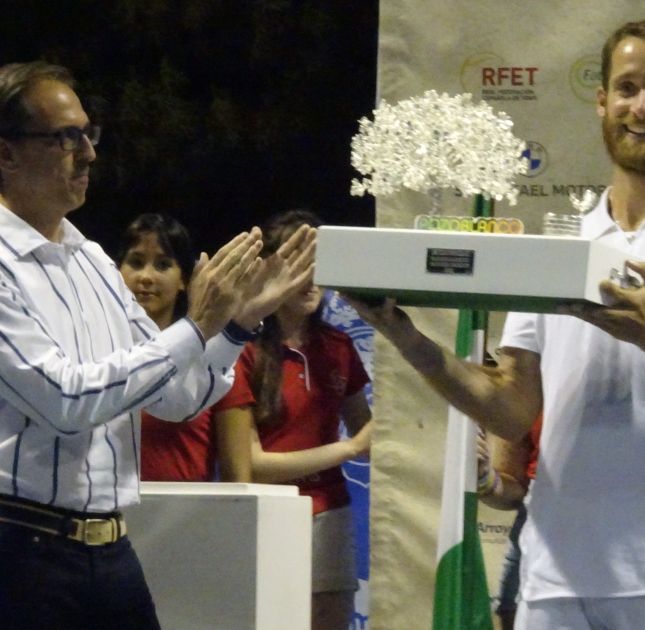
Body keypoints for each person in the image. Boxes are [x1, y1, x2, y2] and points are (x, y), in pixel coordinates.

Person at [348, 17, 645, 630]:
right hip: (554, 582)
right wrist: (406, 337)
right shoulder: (559, 251)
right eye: (627, 88)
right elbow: (508, 410)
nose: (642, 106)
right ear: (602, 100)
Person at [0, 61, 315, 629]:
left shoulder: (92, 260)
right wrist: (195, 328)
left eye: (88, 135)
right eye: (64, 139)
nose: (88, 154)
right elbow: (66, 404)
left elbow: (175, 397)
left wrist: (237, 326)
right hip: (22, 552)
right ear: (6, 153)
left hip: (110, 546)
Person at [215, 210, 373, 630]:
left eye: (321, 267)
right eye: (299, 265)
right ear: (271, 271)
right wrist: (350, 449)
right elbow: (251, 465)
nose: (311, 278)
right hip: (265, 513)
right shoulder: (242, 350)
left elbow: (369, 436)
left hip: (330, 513)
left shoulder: (338, 346)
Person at [117, 213, 254, 482]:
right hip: (104, 516)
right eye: (135, 262)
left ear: (185, 279)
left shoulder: (217, 356)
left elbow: (237, 476)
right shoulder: (96, 349)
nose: (146, 276)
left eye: (163, 265)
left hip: (187, 518)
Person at [476, 418, 542, 630]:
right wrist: (484, 476)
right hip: (543, 532)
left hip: (637, 539)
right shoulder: (530, 389)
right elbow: (513, 492)